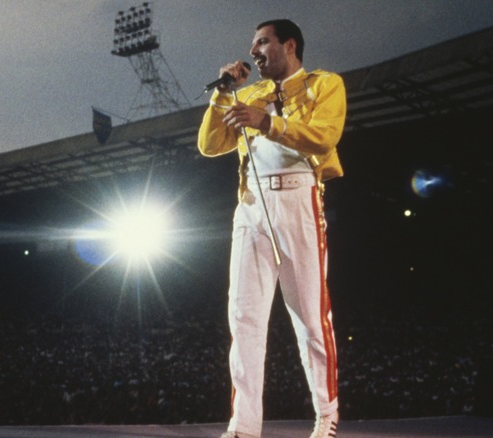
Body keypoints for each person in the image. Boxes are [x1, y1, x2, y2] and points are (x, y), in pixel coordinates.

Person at [197, 19, 347, 438]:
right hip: (251, 206)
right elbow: (209, 145)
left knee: (310, 318)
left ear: (289, 45)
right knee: (243, 317)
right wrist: (222, 92)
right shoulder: (248, 95)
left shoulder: (324, 84)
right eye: (253, 44)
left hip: (298, 198)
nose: (254, 50)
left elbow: (325, 136)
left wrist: (266, 123)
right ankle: (243, 425)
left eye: (262, 42)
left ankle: (326, 414)